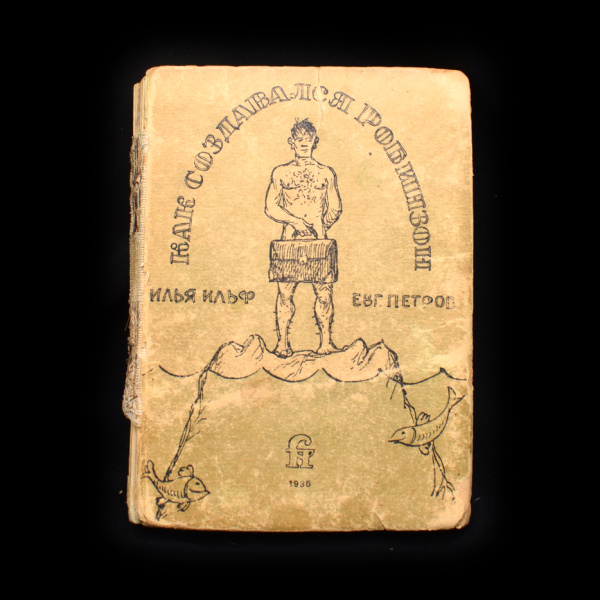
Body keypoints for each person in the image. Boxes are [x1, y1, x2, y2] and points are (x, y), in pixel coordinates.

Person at [264, 119, 342, 358]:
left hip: (318, 240)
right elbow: (271, 206)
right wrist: (295, 222)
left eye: (308, 141)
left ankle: (325, 343)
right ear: (292, 142)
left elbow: (335, 206)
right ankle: (282, 343)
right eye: (299, 141)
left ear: (315, 142)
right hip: (289, 240)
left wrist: (320, 225)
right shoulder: (281, 172)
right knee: (285, 293)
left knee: (324, 293)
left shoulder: (326, 173)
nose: (304, 145)